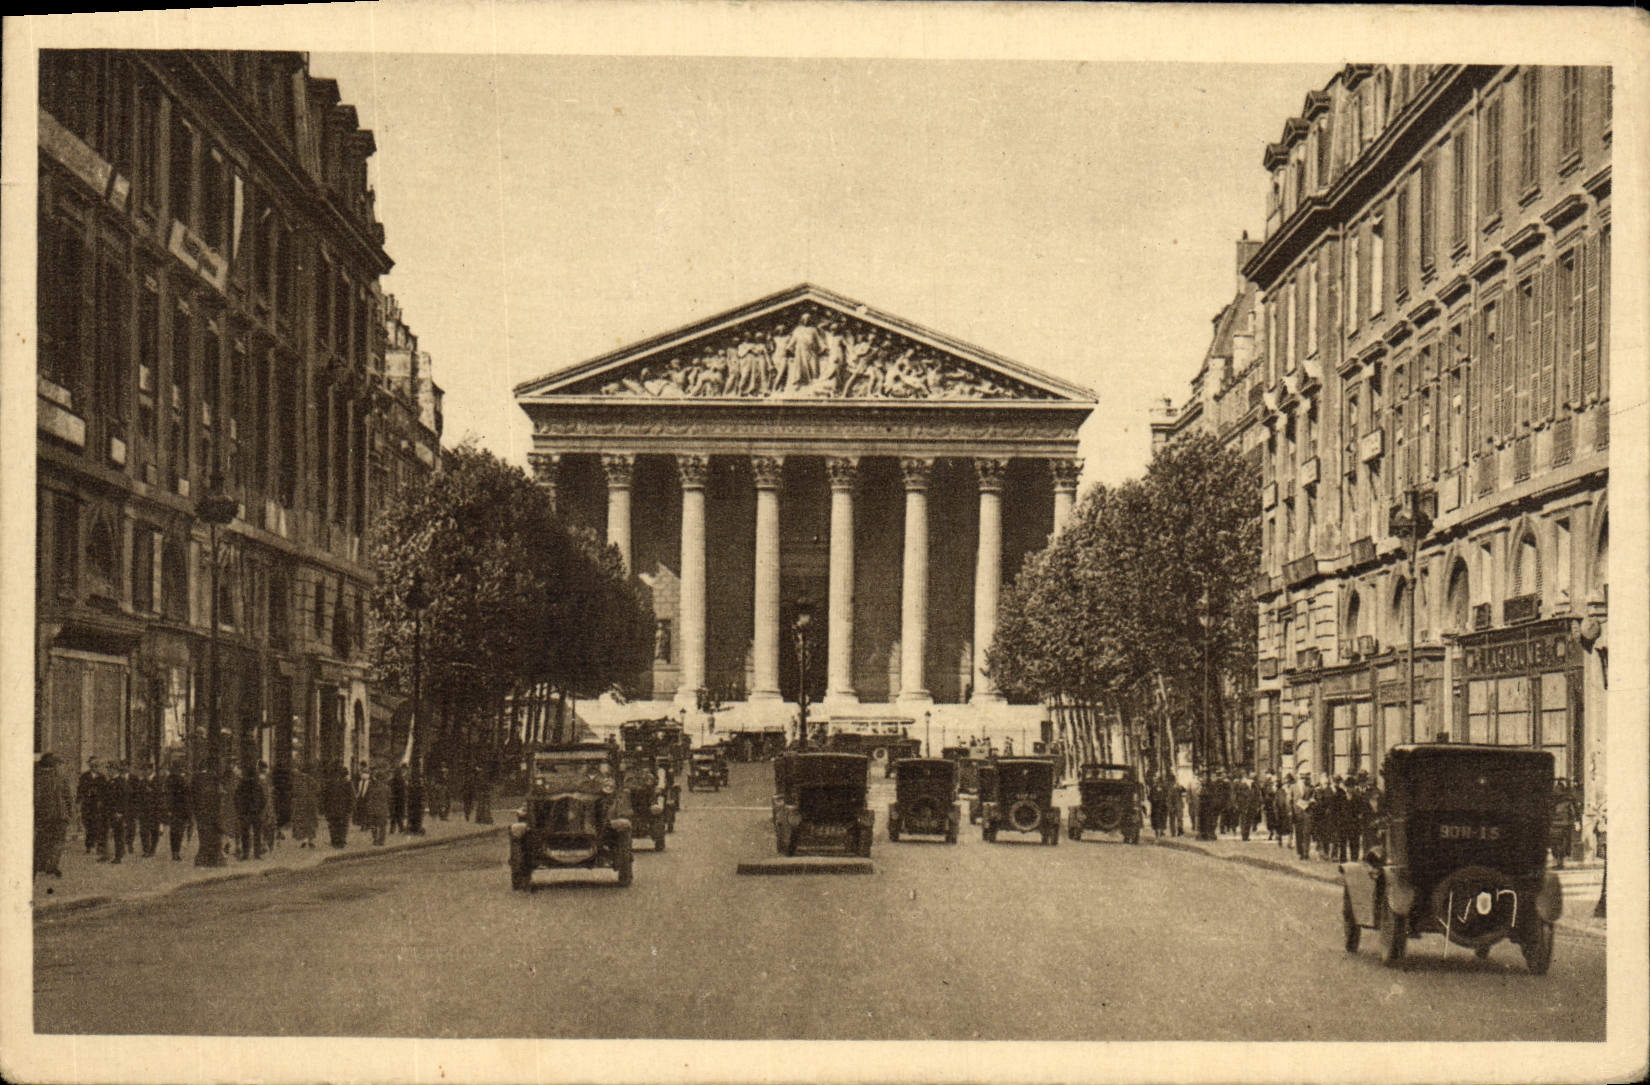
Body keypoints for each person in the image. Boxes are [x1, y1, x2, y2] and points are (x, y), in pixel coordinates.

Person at [35, 752, 72, 878]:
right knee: (57, 842)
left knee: (44, 840)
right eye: (59, 764)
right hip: (59, 816)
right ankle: (51, 866)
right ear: (55, 765)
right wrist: (70, 814)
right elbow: (68, 797)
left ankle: (43, 865)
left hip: (44, 816)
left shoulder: (37, 778)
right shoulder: (60, 778)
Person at [165, 759, 193, 861]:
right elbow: (187, 794)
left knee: (174, 831)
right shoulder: (182, 780)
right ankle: (176, 852)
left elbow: (167, 795)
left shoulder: (169, 779)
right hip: (182, 809)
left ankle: (174, 852)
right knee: (179, 831)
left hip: (173, 808)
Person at [1550, 779, 1580, 869]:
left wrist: (1576, 821)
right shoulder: (1554, 801)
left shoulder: (1568, 800)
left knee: (1559, 845)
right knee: (1557, 845)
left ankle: (1560, 863)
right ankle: (1559, 862)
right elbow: (1575, 812)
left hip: (1562, 825)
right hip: (1558, 824)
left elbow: (1574, 812)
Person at [323, 763, 354, 848]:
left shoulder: (329, 783)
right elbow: (351, 797)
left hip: (331, 809)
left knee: (333, 825)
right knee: (343, 826)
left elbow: (324, 797)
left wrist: (325, 809)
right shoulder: (347, 784)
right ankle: (341, 842)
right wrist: (350, 808)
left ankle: (334, 841)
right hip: (343, 809)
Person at [78, 756, 105, 854]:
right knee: (88, 825)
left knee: (98, 825)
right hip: (87, 805)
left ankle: (99, 846)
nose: (94, 767)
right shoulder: (84, 776)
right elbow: (80, 789)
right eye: (92, 765)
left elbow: (104, 791)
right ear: (89, 765)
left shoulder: (102, 777)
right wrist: (80, 800)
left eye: (96, 765)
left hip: (98, 805)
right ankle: (89, 846)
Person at [138, 762, 165, 857]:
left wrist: (152, 792)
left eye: (146, 770)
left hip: (155, 809)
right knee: (143, 830)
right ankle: (146, 850)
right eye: (143, 770)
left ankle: (152, 849)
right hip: (144, 810)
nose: (144, 772)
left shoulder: (158, 780)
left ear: (151, 770)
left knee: (154, 830)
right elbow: (138, 795)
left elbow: (161, 795)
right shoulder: (142, 782)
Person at [289, 765, 319, 848]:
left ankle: (305, 840)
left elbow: (294, 792)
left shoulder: (297, 780)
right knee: (310, 822)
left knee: (302, 822)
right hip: (310, 804)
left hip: (301, 804)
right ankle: (309, 840)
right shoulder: (311, 779)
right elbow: (317, 789)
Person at [363, 767, 391, 846]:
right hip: (383, 809)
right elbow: (390, 799)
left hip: (373, 809)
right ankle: (381, 841)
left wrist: (369, 807)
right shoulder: (387, 788)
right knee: (382, 826)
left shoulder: (372, 787)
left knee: (374, 825)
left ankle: (375, 839)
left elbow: (368, 798)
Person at [257, 762, 278, 856]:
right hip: (267, 804)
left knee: (263, 825)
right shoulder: (267, 778)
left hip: (263, 805)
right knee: (269, 825)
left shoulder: (260, 779)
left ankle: (264, 844)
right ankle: (268, 845)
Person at [407, 769, 427, 835]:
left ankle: (416, 829)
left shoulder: (419, 788)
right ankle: (415, 829)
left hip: (417, 805)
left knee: (416, 817)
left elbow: (423, 797)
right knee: (415, 817)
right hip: (415, 805)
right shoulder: (418, 788)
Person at [390, 765, 408, 835]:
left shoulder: (392, 781)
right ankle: (401, 828)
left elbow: (391, 789)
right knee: (399, 815)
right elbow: (404, 790)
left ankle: (393, 829)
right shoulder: (402, 781)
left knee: (394, 815)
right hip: (400, 800)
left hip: (394, 799)